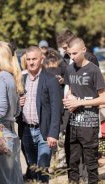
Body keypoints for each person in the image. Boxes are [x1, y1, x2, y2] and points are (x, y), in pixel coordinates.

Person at [63, 37, 105, 184]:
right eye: (69, 54)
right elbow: (70, 91)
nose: (72, 57)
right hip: (73, 122)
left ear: (84, 50)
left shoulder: (94, 70)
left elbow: (103, 98)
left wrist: (79, 102)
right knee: (72, 163)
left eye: (75, 53)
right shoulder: (69, 69)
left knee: (91, 165)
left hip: (89, 123)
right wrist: (69, 100)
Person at [18, 46, 61, 183]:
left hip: (44, 132)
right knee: (33, 168)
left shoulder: (50, 79)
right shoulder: (21, 79)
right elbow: (14, 105)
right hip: (26, 131)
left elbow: (56, 107)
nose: (31, 62)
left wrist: (53, 133)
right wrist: (18, 103)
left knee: (42, 169)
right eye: (28, 59)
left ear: (41, 59)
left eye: (34, 59)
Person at [0, 41, 24, 184]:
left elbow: (1, 109)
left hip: (0, 130)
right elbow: (17, 110)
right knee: (11, 174)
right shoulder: (11, 77)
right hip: (10, 129)